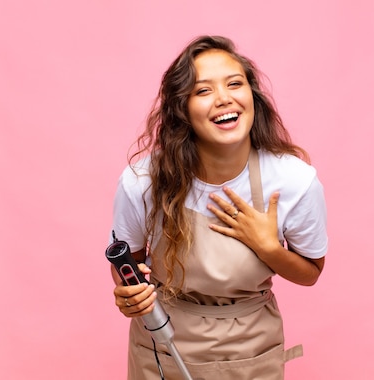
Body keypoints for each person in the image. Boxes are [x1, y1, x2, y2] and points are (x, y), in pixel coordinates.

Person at [109, 35, 328, 380]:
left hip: (253, 347)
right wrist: (130, 296)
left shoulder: (293, 180)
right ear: (181, 108)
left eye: (234, 84)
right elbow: (129, 263)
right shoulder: (142, 181)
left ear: (252, 96)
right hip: (163, 345)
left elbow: (311, 272)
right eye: (203, 90)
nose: (224, 98)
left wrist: (268, 248)